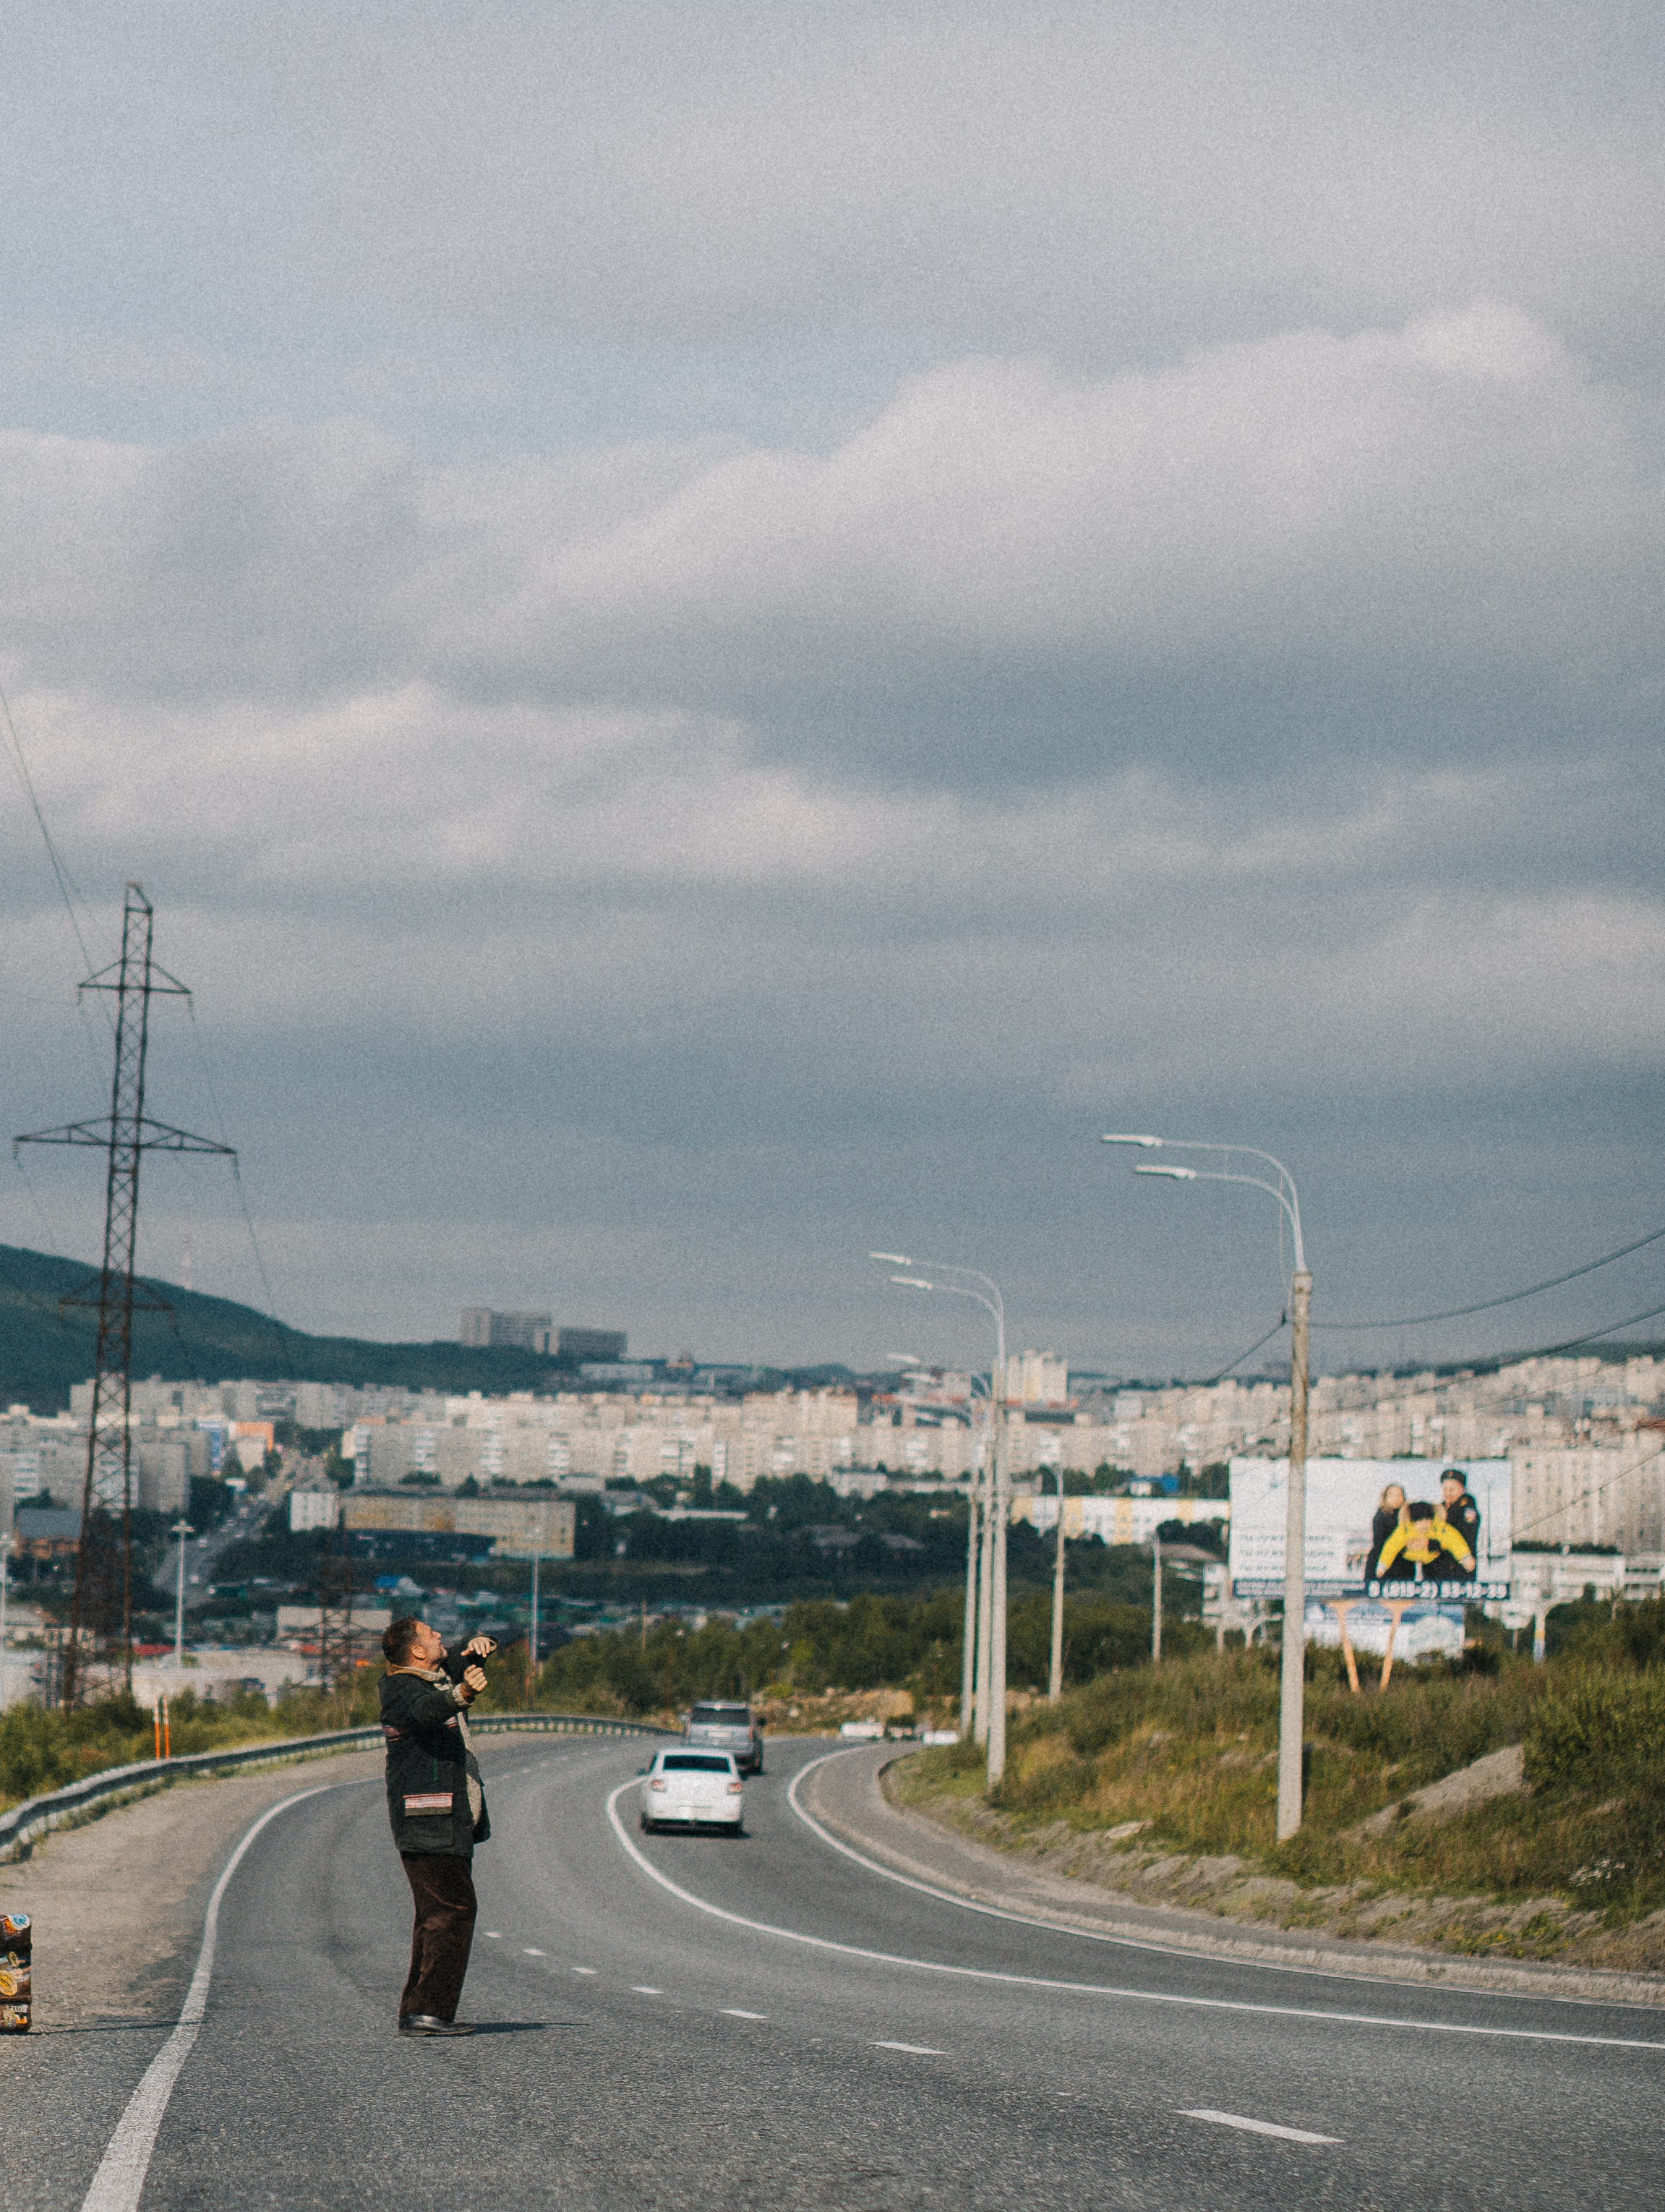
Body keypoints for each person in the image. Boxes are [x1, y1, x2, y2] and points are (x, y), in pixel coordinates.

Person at [380, 1618, 497, 2037]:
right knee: (451, 1912)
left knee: (437, 1915)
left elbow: (453, 1671)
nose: (439, 1637)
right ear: (414, 1652)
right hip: (428, 1822)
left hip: (443, 1821)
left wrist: (479, 1646)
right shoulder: (402, 1691)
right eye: (431, 1635)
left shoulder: (428, 1680)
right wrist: (463, 1693)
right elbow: (428, 1710)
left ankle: (422, 2010)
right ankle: (428, 2011)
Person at [1375, 1499, 1474, 1584]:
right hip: (1410, 1558)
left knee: (1437, 1571)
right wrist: (1383, 1565)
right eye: (1420, 1522)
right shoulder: (1405, 1530)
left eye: (1428, 1521)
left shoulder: (1439, 1528)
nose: (1425, 1525)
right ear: (1413, 1521)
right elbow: (1391, 1546)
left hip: (1431, 1558)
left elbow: (1455, 1542)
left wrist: (1466, 1558)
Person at [1439, 1469, 1481, 1578]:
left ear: (1462, 1489)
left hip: (1459, 1570)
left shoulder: (1468, 1511)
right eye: (1445, 1489)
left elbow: (1464, 1535)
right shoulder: (1439, 1509)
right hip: (1438, 1569)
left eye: (1452, 1489)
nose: (1448, 1493)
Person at [1366, 1482, 1408, 1581]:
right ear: (1385, 1498)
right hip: (1382, 1563)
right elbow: (1379, 1544)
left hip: (1404, 1565)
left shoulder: (1408, 1517)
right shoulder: (1380, 1517)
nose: (1396, 1498)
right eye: (1391, 1495)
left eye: (1399, 1495)